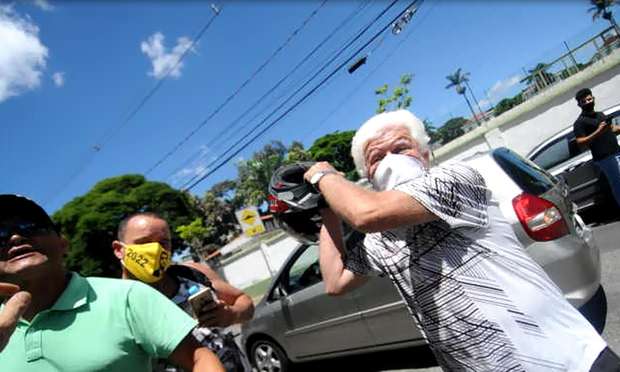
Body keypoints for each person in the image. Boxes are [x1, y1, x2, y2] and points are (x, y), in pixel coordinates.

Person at [302, 110, 618, 371]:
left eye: (401, 149)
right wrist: (326, 210)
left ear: (425, 154)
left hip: (570, 362)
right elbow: (335, 281)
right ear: (368, 176)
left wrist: (323, 175)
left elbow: (365, 213)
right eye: (377, 158)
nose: (390, 162)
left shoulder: (456, 179)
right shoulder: (382, 240)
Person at [0, 194, 225, 372]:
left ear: (63, 243)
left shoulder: (126, 297)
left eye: (31, 226)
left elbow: (199, 358)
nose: (15, 238)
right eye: (0, 233)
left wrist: (230, 313)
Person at [112, 212, 254, 372]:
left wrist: (231, 314)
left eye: (163, 243)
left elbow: (244, 301)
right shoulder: (116, 306)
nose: (155, 250)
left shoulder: (192, 274)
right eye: (143, 242)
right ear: (119, 250)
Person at [573, 88, 620, 208]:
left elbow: (611, 130)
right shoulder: (580, 122)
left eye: (589, 99)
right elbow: (580, 141)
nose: (588, 102)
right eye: (584, 101)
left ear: (593, 99)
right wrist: (598, 131)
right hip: (605, 158)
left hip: (616, 151)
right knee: (618, 183)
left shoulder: (600, 115)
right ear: (579, 104)